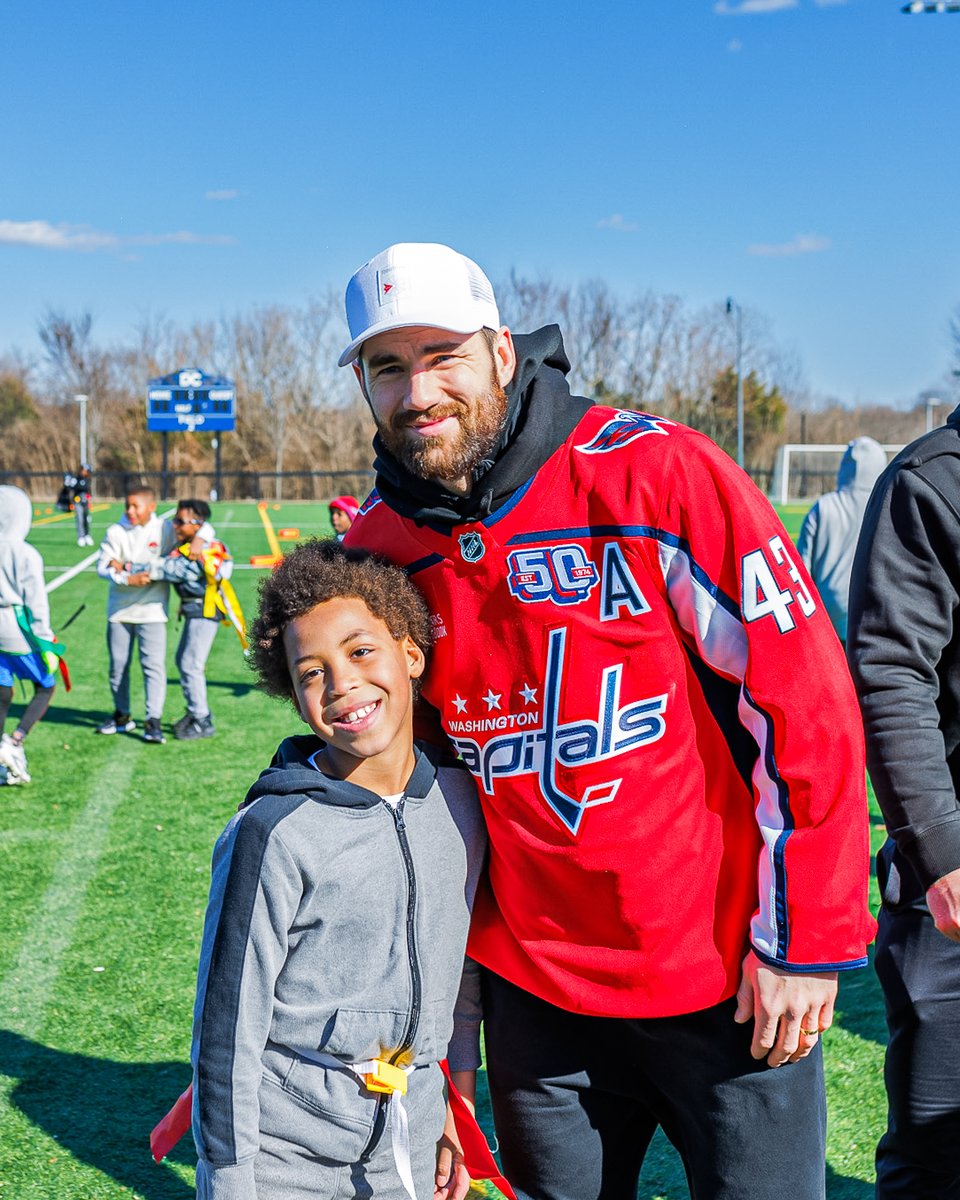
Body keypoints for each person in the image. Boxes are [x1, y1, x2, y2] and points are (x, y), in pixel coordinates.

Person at [340, 242, 875, 1200]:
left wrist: (800, 941)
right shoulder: (376, 547)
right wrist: (442, 1049)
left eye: (442, 356)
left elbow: (805, 696)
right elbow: (406, 801)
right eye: (388, 367)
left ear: (503, 352)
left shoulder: (657, 473)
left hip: (723, 977)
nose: (417, 391)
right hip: (537, 998)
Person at [190, 540, 483, 1200]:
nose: (341, 683)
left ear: (411, 652)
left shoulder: (461, 804)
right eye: (312, 672)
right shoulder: (271, 833)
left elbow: (457, 969)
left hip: (409, 1144)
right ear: (295, 698)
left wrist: (453, 1109)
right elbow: (226, 1033)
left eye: (359, 651)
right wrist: (229, 1184)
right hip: (287, 1162)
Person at [847, 410, 960, 1199]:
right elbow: (891, 674)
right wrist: (943, 854)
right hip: (953, 892)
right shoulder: (934, 481)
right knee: (937, 1150)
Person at [125, 499, 245, 741]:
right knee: (184, 661)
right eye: (175, 520)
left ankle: (202, 718)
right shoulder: (194, 543)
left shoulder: (203, 551)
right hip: (196, 611)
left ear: (197, 524)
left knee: (191, 664)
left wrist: (129, 566)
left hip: (205, 611)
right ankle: (194, 712)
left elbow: (173, 569)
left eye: (181, 521)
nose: (175, 525)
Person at [95, 485, 172, 744]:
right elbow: (103, 567)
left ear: (151, 507)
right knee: (118, 667)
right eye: (126, 505)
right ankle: (122, 716)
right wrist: (128, 577)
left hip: (152, 612)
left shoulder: (165, 529)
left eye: (135, 506)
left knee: (153, 668)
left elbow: (203, 530)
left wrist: (198, 539)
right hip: (119, 611)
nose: (129, 511)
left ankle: (153, 721)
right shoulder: (115, 531)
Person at [796, 436, 887, 644]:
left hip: (827, 614)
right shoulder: (887, 506)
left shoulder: (824, 506)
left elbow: (801, 568)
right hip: (873, 609)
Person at [0, 486, 63, 784]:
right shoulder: (24, 553)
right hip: (18, 630)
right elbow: (36, 601)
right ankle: (14, 742)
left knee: (2, 690)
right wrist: (46, 640)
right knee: (45, 686)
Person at [62, 464, 94, 546]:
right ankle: (81, 537)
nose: (85, 472)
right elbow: (70, 489)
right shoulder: (75, 479)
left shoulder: (87, 480)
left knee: (86, 519)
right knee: (79, 519)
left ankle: (87, 535)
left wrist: (89, 501)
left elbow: (88, 492)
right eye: (84, 470)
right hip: (78, 502)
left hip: (85, 502)